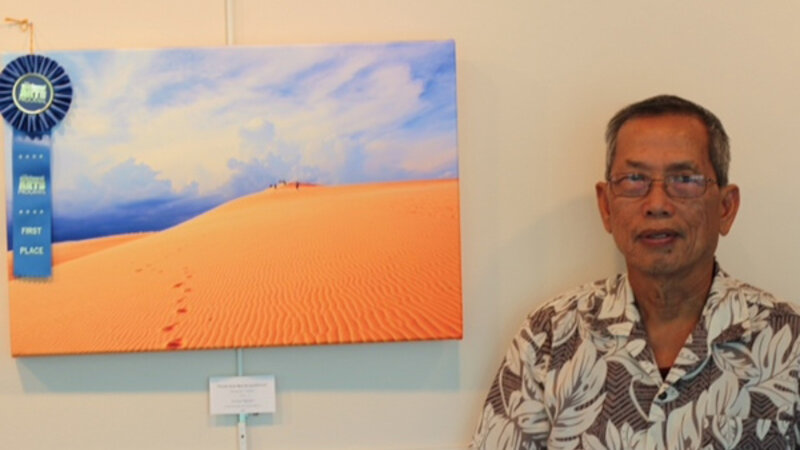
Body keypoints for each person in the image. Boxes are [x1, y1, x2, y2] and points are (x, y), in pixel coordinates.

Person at [471, 95, 800, 449]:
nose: (657, 204)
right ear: (606, 206)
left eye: (684, 179)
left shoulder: (788, 342)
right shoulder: (550, 338)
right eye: (634, 179)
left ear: (725, 207)